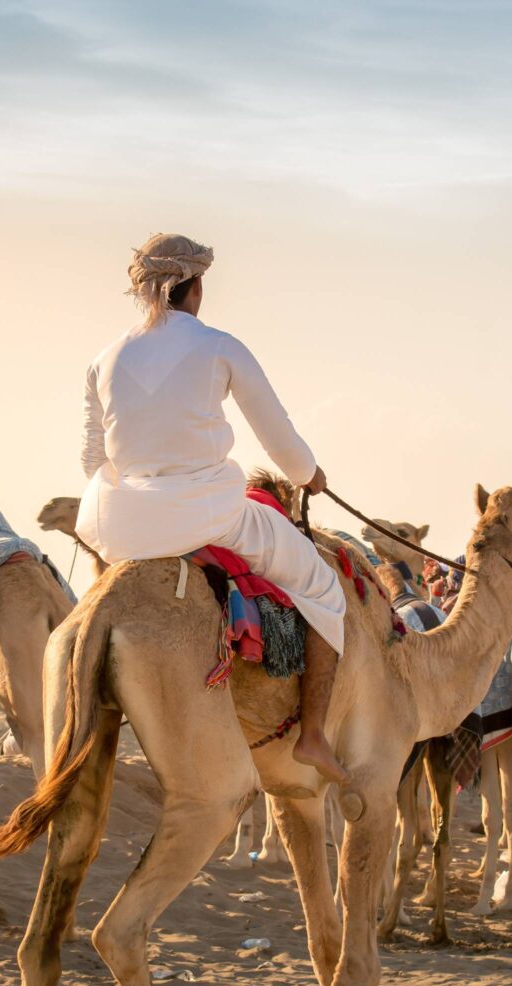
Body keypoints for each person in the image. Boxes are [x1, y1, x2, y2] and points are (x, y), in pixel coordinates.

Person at [77, 232, 349, 783]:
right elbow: (280, 439)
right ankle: (314, 736)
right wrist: (309, 476)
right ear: (195, 287)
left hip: (117, 523)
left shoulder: (103, 360)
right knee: (324, 587)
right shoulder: (221, 346)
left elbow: (91, 459)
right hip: (208, 512)